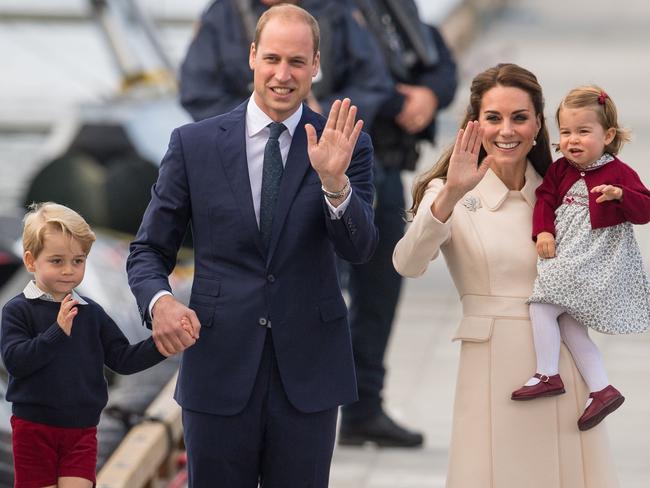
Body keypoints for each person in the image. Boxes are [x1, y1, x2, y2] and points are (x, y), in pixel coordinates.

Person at [126, 5, 377, 487]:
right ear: (253, 57)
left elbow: (360, 248)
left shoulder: (346, 144)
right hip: (218, 368)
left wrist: (334, 182)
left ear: (316, 65)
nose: (283, 75)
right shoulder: (193, 145)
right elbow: (148, 251)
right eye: (273, 59)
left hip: (309, 373)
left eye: (297, 62)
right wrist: (159, 303)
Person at [393, 64, 619, 487]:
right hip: (492, 367)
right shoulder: (449, 190)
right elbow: (407, 263)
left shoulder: (567, 190)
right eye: (493, 118)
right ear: (474, 124)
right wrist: (450, 198)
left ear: (538, 124)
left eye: (519, 117)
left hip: (562, 367)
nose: (506, 131)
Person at [337, 0, 457, 448]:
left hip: (383, 167)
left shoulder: (393, 8)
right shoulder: (317, 14)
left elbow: (438, 58)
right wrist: (393, 99)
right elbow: (332, 84)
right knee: (318, 296)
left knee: (378, 295)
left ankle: (362, 409)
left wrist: (427, 95)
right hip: (326, 167)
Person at [511, 86, 650, 430]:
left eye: (583, 132)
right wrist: (543, 232)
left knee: (542, 305)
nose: (572, 140)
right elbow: (544, 200)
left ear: (609, 135)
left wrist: (621, 196)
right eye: (566, 132)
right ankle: (602, 388)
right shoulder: (560, 170)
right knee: (571, 326)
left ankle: (547, 373)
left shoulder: (618, 173)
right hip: (568, 254)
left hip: (594, 262)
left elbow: (645, 209)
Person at [0, 202, 166, 488]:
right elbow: (16, 361)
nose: (68, 270)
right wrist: (57, 332)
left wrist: (161, 345)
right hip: (34, 430)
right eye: (56, 261)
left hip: (81, 430)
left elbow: (122, 359)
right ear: (30, 262)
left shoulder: (91, 313)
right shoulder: (17, 311)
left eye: (78, 261)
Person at [179, 0, 391, 125]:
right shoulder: (221, 17)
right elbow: (198, 95)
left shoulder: (335, 9)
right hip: (246, 156)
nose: (282, 74)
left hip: (329, 147)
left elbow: (372, 83)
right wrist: (260, 119)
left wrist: (321, 115)